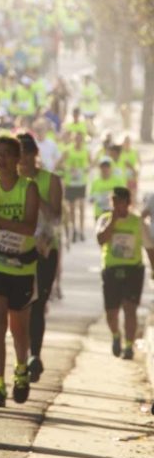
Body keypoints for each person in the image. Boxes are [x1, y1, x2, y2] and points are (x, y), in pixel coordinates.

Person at [0, 135, 40, 407]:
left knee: (19, 328)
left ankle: (21, 370)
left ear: (18, 159)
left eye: (6, 154)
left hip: (22, 264)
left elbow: (28, 227)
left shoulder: (28, 188)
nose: (0, 160)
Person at [17, 133, 62, 383]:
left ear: (36, 155)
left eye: (26, 154)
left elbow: (56, 218)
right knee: (20, 305)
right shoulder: (10, 181)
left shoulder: (50, 180)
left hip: (45, 249)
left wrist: (36, 194)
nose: (22, 160)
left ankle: (34, 356)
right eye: (18, 155)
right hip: (17, 249)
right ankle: (20, 358)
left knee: (38, 304)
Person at [96, 188, 151, 360]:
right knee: (111, 312)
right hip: (111, 270)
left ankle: (128, 346)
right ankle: (116, 336)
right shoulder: (105, 219)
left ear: (128, 203)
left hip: (133, 270)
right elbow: (100, 240)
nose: (117, 205)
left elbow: (149, 247)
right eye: (114, 202)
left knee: (130, 309)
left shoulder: (138, 222)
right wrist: (113, 222)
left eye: (121, 202)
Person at [58, 133, 89, 242]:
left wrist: (86, 168)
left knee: (81, 206)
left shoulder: (86, 150)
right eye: (76, 139)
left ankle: (81, 230)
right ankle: (73, 229)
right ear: (73, 139)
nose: (78, 141)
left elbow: (92, 163)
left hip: (81, 182)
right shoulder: (68, 150)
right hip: (70, 182)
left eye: (80, 139)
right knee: (71, 208)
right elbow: (59, 163)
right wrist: (69, 168)